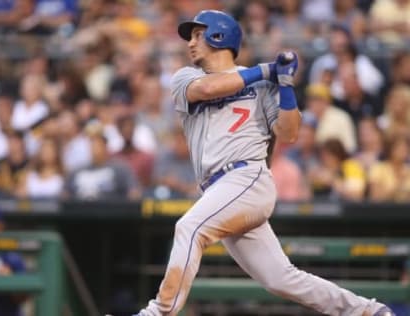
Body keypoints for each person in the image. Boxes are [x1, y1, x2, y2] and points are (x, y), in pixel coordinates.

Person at [132, 10, 394, 316]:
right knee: (281, 278)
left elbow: (290, 133)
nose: (190, 43)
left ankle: (157, 313)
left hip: (246, 178)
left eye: (198, 34)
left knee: (189, 228)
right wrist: (267, 70)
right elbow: (207, 90)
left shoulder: (263, 85)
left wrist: (284, 85)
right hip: (218, 190)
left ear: (219, 35)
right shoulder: (186, 78)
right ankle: (369, 311)